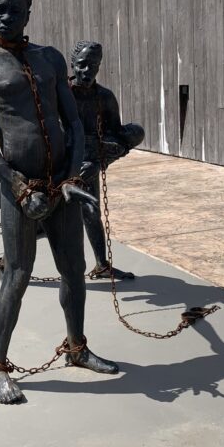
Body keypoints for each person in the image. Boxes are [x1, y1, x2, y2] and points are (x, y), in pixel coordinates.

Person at [0, 0, 118, 405]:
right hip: (19, 188)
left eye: (15, 9)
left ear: (29, 13)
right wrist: (15, 184)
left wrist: (71, 178)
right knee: (17, 275)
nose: (6, 17)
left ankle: (77, 348)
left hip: (61, 185)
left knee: (74, 272)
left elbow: (74, 125)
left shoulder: (48, 58)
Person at [69, 40, 145, 280]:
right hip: (61, 159)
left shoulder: (105, 97)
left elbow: (118, 139)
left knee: (91, 210)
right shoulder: (61, 93)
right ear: (73, 64)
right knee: (37, 212)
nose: (87, 71)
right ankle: (12, 262)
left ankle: (102, 264)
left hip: (89, 160)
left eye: (93, 66)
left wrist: (99, 162)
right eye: (82, 65)